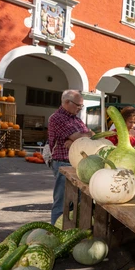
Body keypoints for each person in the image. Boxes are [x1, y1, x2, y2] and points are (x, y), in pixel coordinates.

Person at [48, 90, 91, 224]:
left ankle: (70, 229)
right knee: (62, 203)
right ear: (67, 102)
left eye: (81, 106)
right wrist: (79, 137)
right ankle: (54, 231)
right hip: (63, 164)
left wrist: (77, 140)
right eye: (78, 105)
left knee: (76, 202)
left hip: (76, 164)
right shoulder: (57, 118)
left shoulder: (76, 119)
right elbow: (81, 136)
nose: (80, 108)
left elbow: (90, 135)